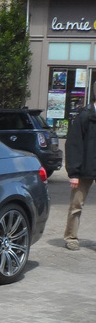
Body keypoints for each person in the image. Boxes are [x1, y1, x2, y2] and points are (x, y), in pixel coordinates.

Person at [64, 92, 96, 250]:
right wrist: (74, 173)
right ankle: (71, 237)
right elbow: (73, 145)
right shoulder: (84, 116)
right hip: (84, 168)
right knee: (77, 204)